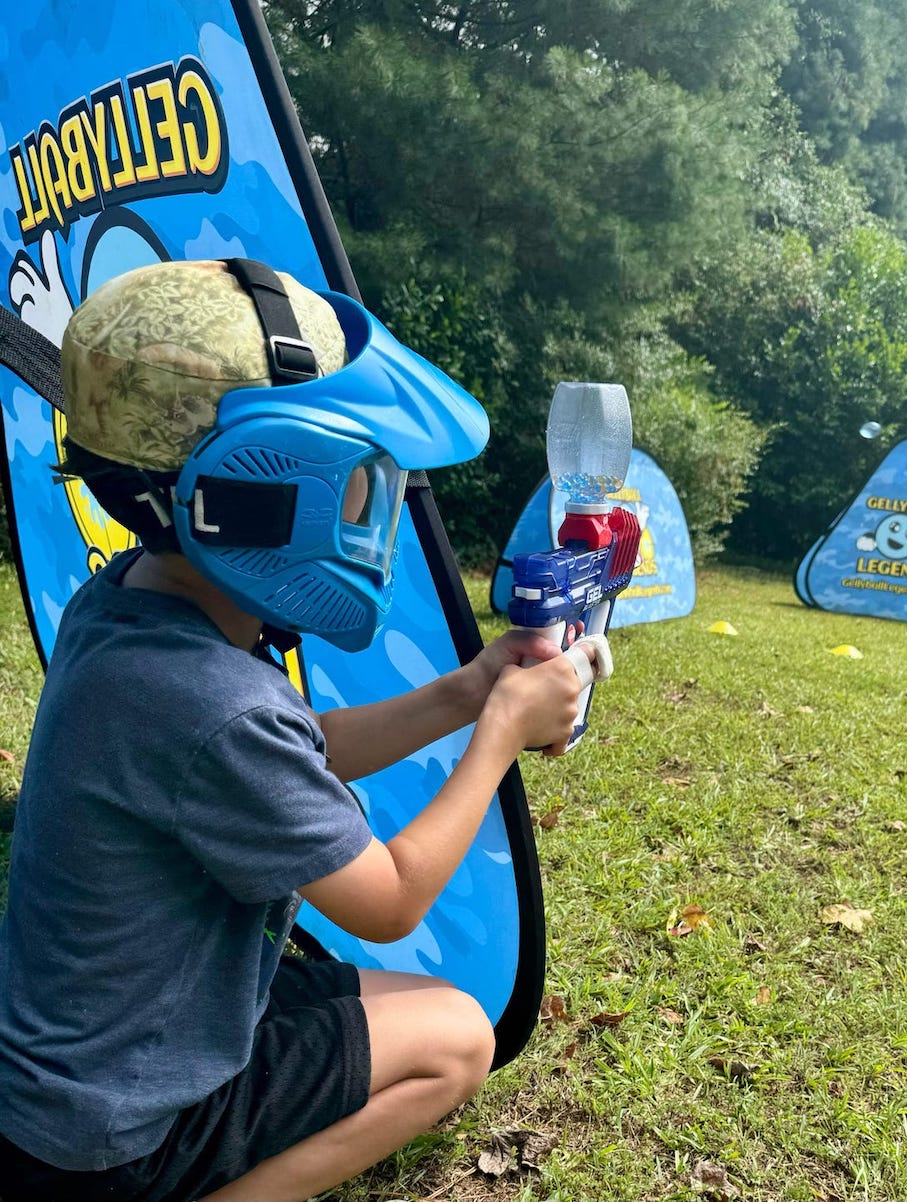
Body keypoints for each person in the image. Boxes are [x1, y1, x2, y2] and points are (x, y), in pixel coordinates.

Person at [0, 259, 596, 1202]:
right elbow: (389, 903)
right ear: (256, 491)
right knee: (457, 1041)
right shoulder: (209, 702)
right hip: (115, 1139)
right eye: (355, 481)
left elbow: (289, 744)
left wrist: (469, 691)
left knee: (427, 1005)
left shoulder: (124, 611)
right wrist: (500, 735)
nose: (372, 512)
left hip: (83, 1072)